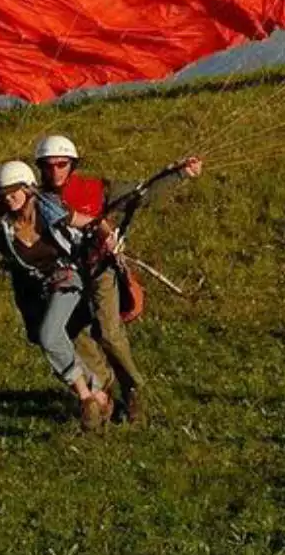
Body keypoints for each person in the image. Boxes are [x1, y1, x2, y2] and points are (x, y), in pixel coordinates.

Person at [32, 134, 203, 423]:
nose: (55, 171)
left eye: (61, 165)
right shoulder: (36, 200)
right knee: (69, 333)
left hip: (101, 269)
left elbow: (141, 194)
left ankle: (134, 389)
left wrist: (180, 174)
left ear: (71, 165)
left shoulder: (96, 189)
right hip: (64, 276)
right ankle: (102, 388)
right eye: (48, 166)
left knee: (109, 332)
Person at [0, 160, 114, 431]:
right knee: (46, 339)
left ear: (28, 189)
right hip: (37, 289)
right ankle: (96, 395)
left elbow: (89, 222)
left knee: (49, 335)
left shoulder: (50, 211)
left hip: (67, 278)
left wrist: (109, 238)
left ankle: (85, 396)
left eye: (14, 193)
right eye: (4, 196)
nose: (10, 200)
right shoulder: (6, 225)